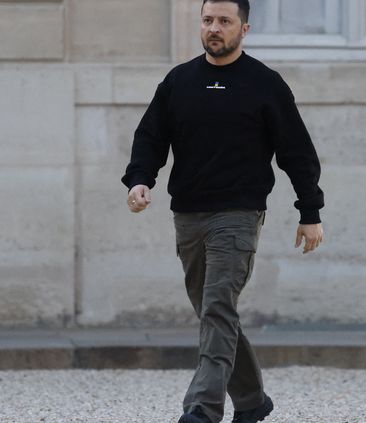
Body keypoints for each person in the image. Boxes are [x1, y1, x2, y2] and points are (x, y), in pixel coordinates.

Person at [121, 0, 325, 422]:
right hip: (189, 216)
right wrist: (140, 179)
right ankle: (252, 402)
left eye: (224, 22)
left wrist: (310, 211)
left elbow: (297, 153)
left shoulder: (265, 84)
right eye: (208, 20)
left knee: (216, 307)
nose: (215, 28)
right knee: (215, 312)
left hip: (238, 215)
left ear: (244, 29)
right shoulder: (180, 81)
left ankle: (202, 409)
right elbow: (151, 137)